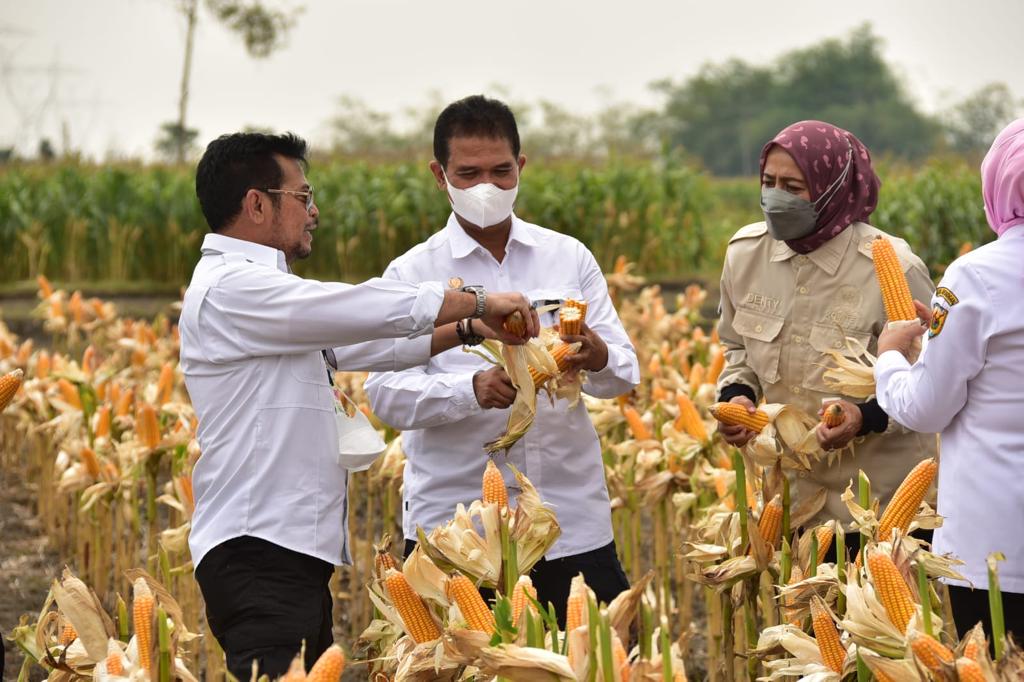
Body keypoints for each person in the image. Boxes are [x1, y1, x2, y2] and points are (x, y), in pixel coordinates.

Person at [179, 131, 538, 679]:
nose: (314, 211)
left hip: (288, 551)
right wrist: (481, 298)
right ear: (256, 203)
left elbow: (359, 345)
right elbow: (355, 308)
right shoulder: (233, 287)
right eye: (303, 197)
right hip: (257, 549)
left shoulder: (265, 294)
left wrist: (466, 328)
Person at [364, 95, 639, 624]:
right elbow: (385, 395)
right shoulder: (411, 273)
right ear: (438, 175)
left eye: (500, 170)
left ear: (522, 167)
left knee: (597, 657)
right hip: (457, 531)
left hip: (568, 519)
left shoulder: (568, 257)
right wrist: (471, 391)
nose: (486, 187)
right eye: (467, 174)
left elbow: (623, 372)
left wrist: (597, 355)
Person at [713, 120, 938, 551]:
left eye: (793, 187)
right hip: (793, 502)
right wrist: (737, 396)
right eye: (768, 182)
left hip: (882, 510)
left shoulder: (894, 267)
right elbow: (737, 346)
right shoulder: (744, 255)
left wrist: (863, 418)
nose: (775, 197)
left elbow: (930, 381)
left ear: (833, 188)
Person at [874, 118, 1024, 643]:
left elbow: (926, 409)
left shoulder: (975, 276)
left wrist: (892, 357)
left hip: (998, 548)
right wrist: (938, 338)